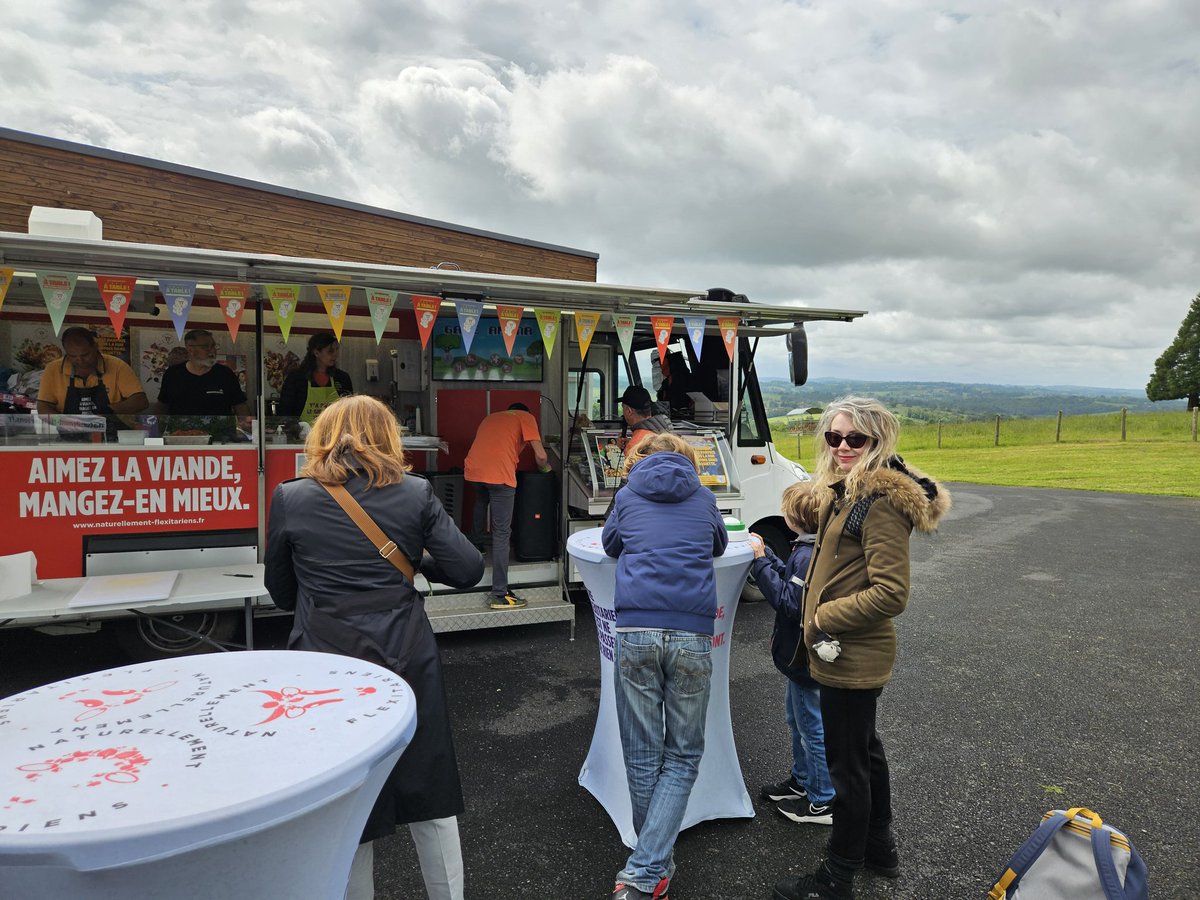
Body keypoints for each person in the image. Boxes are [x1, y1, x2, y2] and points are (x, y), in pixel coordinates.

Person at [264, 395, 483, 900]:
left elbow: (281, 591)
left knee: (345, 799)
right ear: (388, 437)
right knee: (429, 788)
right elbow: (469, 570)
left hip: (325, 661)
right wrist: (415, 563)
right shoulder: (415, 492)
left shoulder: (291, 496)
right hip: (406, 653)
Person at [772, 397, 950, 900]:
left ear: (879, 441)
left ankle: (837, 875)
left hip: (850, 654)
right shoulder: (849, 493)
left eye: (856, 439)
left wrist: (822, 617)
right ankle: (879, 848)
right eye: (834, 437)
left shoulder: (882, 503)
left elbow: (891, 593)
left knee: (845, 766)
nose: (843, 447)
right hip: (841, 651)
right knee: (865, 754)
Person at [601, 432, 728, 900]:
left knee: (642, 753)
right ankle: (649, 868)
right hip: (692, 631)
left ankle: (647, 868)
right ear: (689, 461)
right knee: (682, 755)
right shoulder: (704, 496)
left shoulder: (627, 494)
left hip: (635, 631)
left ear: (641, 459)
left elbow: (612, 545)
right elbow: (716, 545)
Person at [749, 481, 836, 828]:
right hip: (802, 660)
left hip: (803, 660)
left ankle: (822, 800)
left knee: (811, 727)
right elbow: (791, 581)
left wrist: (758, 564)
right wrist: (768, 556)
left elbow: (789, 603)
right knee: (797, 720)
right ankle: (802, 781)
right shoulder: (811, 549)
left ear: (794, 519)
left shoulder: (804, 555)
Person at [463, 402, 549, 610]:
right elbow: (540, 455)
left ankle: (476, 544)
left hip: (474, 470)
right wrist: (545, 468)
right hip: (500, 475)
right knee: (502, 532)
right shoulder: (526, 418)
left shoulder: (491, 417)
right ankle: (499, 593)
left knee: (482, 501)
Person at [36, 326, 148, 417]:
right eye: (73, 356)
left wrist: (109, 410)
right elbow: (43, 406)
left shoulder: (117, 366)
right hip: (70, 437)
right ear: (66, 351)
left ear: (95, 347)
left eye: (85, 354)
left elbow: (140, 401)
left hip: (112, 437)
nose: (80, 360)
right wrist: (64, 423)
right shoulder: (53, 369)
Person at [153, 329, 250, 417]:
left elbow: (240, 406)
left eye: (213, 346)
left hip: (219, 434)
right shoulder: (173, 374)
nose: (212, 350)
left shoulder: (225, 374)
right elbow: (162, 406)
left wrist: (250, 432)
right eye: (206, 347)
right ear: (190, 349)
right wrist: (155, 431)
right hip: (181, 434)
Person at [277, 332, 354, 423]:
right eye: (330, 351)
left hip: (335, 435)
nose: (335, 354)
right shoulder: (296, 378)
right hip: (303, 436)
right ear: (316, 352)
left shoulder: (342, 378)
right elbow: (285, 413)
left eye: (337, 349)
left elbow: (350, 411)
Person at [618, 385, 671, 453]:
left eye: (623, 408)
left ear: (629, 411)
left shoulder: (635, 446)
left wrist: (628, 449)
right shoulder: (664, 428)